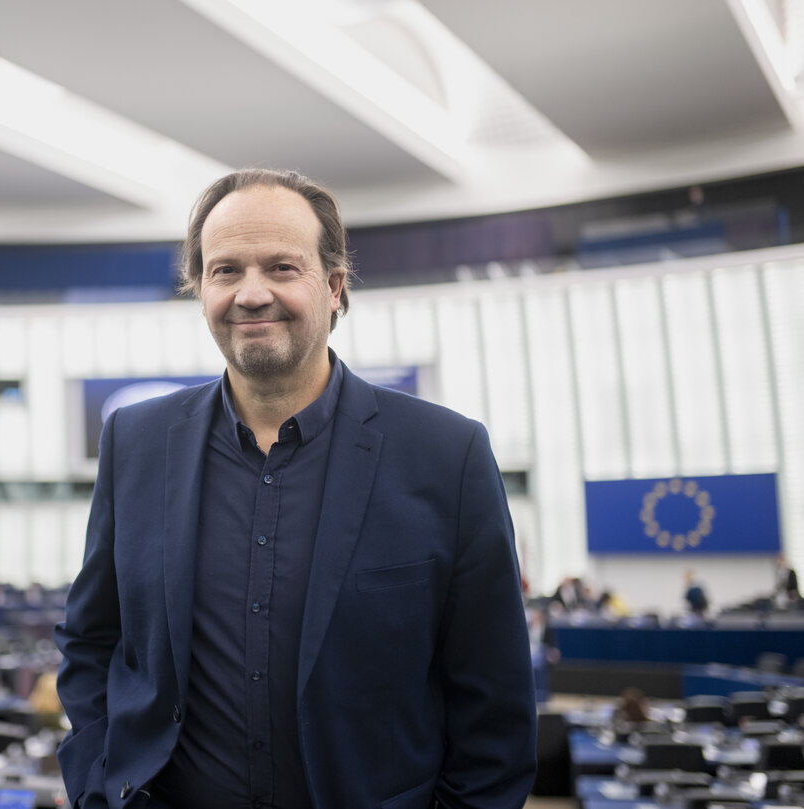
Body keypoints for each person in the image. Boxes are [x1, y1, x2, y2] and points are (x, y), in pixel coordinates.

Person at [54, 169, 536, 809]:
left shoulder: (448, 456)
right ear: (200, 291)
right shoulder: (135, 443)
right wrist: (98, 782)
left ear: (335, 287)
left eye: (282, 267)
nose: (251, 294)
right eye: (225, 271)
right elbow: (93, 639)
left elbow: (495, 704)